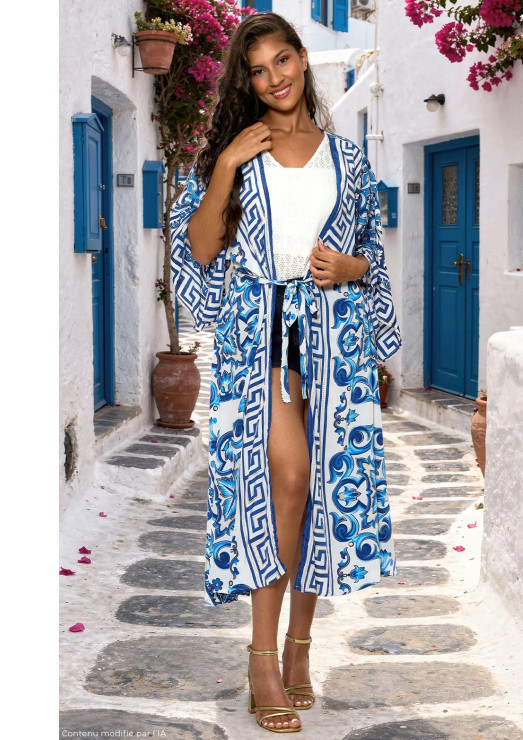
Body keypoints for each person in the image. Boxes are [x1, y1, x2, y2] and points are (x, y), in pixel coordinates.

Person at [170, 12, 402, 734]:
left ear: (304, 59)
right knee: (290, 479)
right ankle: (262, 660)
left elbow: (372, 252)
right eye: (259, 70)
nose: (274, 78)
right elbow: (200, 250)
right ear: (248, 82)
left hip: (333, 341)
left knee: (324, 487)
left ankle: (300, 647)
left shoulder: (348, 160)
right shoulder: (239, 154)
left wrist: (351, 267)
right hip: (259, 341)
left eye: (283, 60)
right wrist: (226, 167)